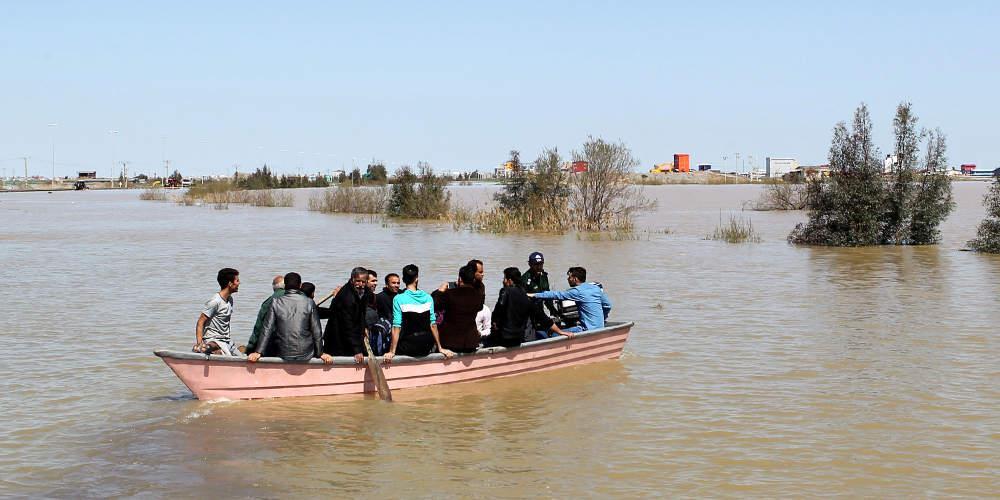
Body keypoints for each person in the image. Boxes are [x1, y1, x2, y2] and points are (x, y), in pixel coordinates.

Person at [248, 272, 332, 364]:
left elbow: (267, 328)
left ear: (285, 286)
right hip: (306, 354)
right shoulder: (309, 302)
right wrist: (320, 353)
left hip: (282, 353)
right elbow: (316, 330)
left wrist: (258, 352)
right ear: (300, 286)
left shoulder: (276, 302)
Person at [485, 267, 572, 348]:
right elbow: (542, 318)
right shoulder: (526, 297)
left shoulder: (505, 291)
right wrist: (560, 331)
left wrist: (494, 325)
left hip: (505, 338)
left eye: (504, 278)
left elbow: (498, 311)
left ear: (510, 281)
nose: (503, 281)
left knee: (486, 341)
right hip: (519, 338)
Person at [384, 264, 455, 363]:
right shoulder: (428, 297)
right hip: (426, 345)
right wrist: (440, 348)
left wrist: (392, 351)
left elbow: (396, 327)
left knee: (389, 346)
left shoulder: (398, 298)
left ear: (403, 280)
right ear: (416, 278)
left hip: (408, 346)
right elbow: (433, 325)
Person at [529, 266, 612, 332]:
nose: (568, 279)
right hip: (600, 328)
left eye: (569, 277)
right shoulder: (595, 288)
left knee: (554, 334)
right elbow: (607, 305)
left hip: (587, 329)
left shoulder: (577, 291)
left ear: (575, 279)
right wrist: (601, 319)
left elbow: (556, 295)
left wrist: (534, 295)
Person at [321, 267, 373, 364]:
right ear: (352, 279)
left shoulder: (365, 291)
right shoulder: (346, 297)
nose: (360, 284)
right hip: (338, 335)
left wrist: (364, 326)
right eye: (358, 281)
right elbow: (347, 325)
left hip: (354, 331)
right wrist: (357, 350)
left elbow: (361, 313)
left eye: (363, 282)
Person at [432, 264, 486, 353]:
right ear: (473, 279)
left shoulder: (450, 294)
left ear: (460, 279)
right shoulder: (478, 296)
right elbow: (480, 306)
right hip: (470, 342)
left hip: (450, 342)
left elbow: (435, 305)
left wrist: (440, 291)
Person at [193, 267, 243, 356]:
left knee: (243, 351)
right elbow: (200, 322)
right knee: (212, 347)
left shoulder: (230, 299)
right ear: (230, 284)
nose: (239, 283)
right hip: (213, 340)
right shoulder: (215, 301)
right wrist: (199, 343)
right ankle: (203, 348)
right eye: (237, 281)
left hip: (226, 340)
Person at [246, 275, 284, 354]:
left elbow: (258, 327)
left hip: (272, 346)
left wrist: (250, 347)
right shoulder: (296, 299)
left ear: (274, 288)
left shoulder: (269, 302)